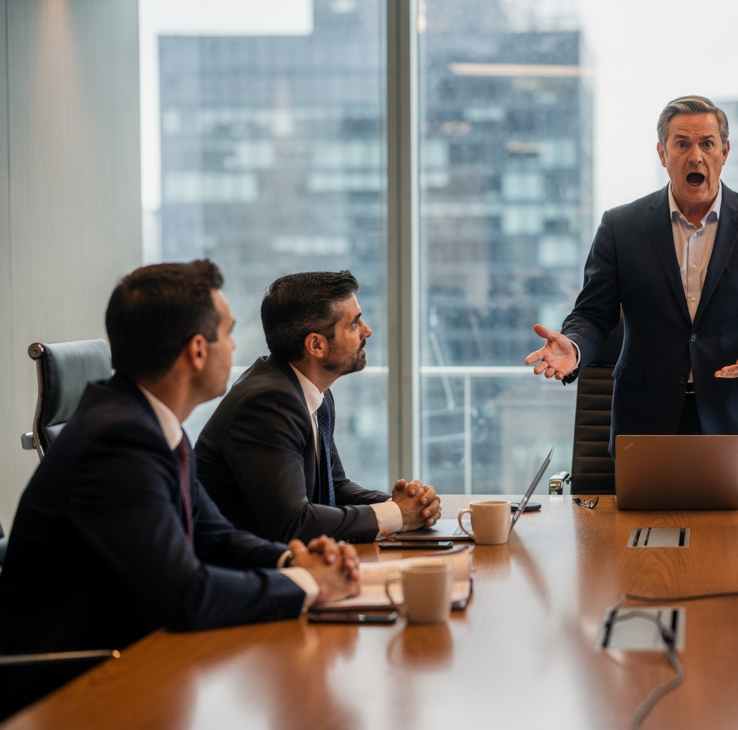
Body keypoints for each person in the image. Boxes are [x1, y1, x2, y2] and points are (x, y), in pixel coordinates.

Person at [0, 261, 360, 719]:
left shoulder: (149, 423)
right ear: (196, 351)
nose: (234, 347)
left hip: (133, 657)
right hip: (70, 690)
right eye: (228, 334)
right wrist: (309, 584)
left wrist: (292, 560)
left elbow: (217, 536)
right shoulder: (118, 442)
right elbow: (186, 595)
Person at [523, 96, 738, 492]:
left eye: (707, 144)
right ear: (662, 153)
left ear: (724, 152)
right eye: (682, 144)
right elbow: (593, 315)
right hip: (646, 423)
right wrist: (573, 347)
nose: (696, 156)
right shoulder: (620, 226)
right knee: (644, 549)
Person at [197, 271, 441, 544]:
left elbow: (333, 487)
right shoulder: (268, 403)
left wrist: (408, 505)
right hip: (247, 571)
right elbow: (293, 524)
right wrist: (396, 514)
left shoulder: (309, 391)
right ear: (316, 344)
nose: (367, 331)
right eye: (354, 323)